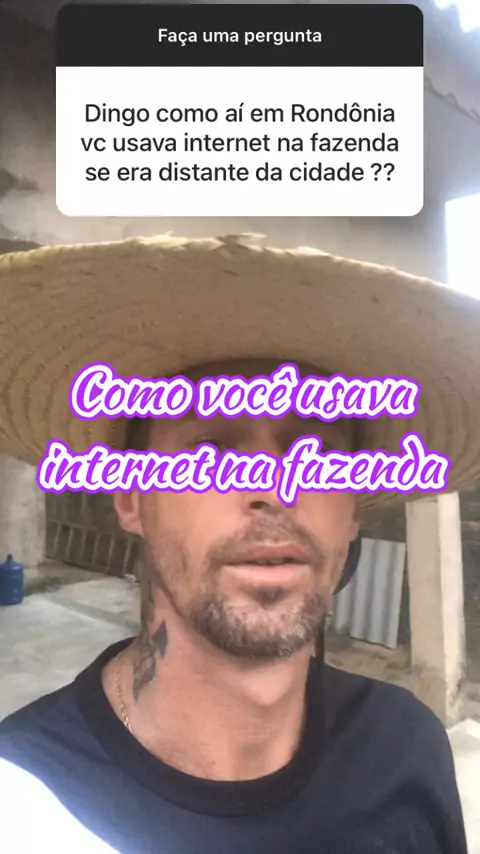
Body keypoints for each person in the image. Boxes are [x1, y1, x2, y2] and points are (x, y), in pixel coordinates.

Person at [0, 233, 478, 854]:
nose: (273, 488)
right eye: (213, 448)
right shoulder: (22, 805)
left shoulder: (407, 748)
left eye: (316, 450)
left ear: (353, 508)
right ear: (132, 499)